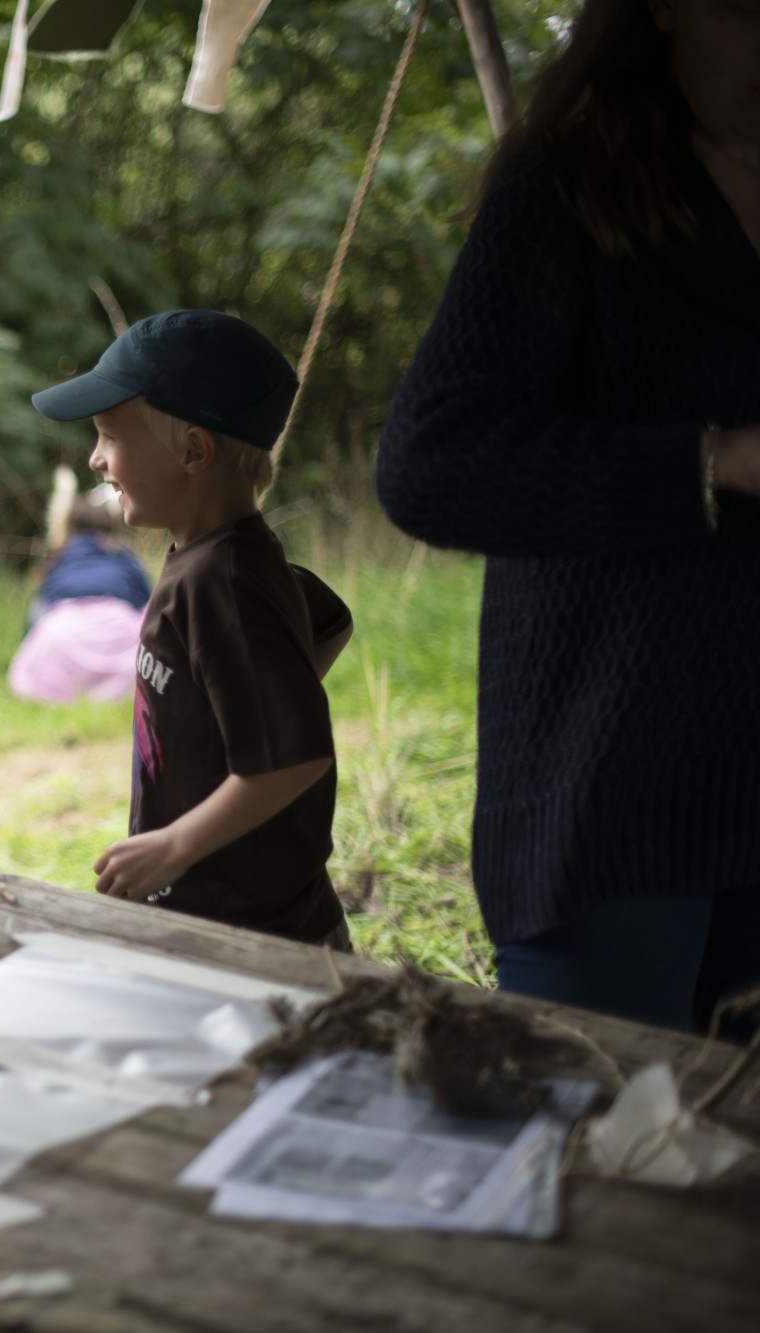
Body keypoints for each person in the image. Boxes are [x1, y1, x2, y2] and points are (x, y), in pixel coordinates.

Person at [375, 0, 760, 1032]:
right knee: (602, 1156)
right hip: (616, 795)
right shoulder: (568, 193)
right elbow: (429, 464)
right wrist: (713, 461)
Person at [32, 310, 355, 946]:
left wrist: (176, 846)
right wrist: (243, 707)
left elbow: (296, 756)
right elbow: (329, 618)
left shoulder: (223, 579)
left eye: (108, 437)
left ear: (193, 450)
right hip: (217, 913)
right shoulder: (213, 555)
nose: (95, 460)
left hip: (257, 934)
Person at [8, 480, 153, 704]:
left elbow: (42, 602)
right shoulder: (124, 556)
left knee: (39, 614)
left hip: (62, 628)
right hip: (121, 628)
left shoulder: (61, 558)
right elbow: (148, 598)